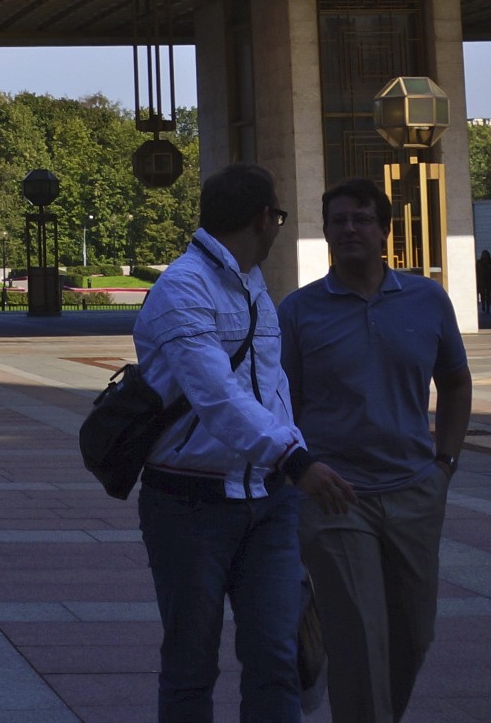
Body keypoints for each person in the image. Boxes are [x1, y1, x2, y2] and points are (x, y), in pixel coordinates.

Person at [134, 163, 355, 723]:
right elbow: (216, 395)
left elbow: (271, 390)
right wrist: (295, 457)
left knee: (277, 658)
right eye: (280, 216)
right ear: (265, 218)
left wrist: (291, 462)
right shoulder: (182, 288)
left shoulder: (253, 282)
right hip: (189, 504)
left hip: (270, 503)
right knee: (191, 665)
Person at [281, 179, 472, 723]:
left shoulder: (426, 299)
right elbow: (279, 405)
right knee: (360, 636)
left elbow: (456, 382)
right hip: (335, 498)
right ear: (324, 232)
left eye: (361, 219)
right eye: (337, 221)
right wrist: (301, 473)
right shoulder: (299, 312)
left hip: (414, 491)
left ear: (385, 230)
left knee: (413, 635)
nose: (349, 229)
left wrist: (445, 464)